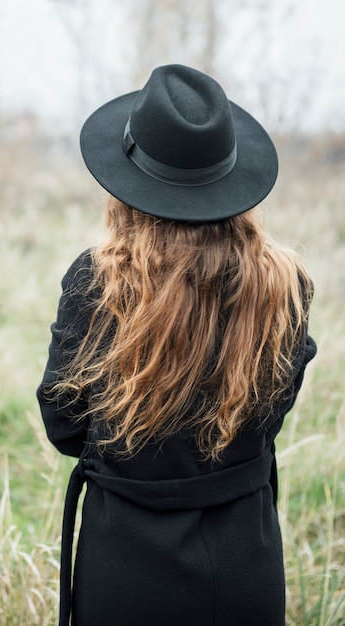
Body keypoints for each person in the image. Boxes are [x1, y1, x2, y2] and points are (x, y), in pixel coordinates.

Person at [36, 64, 317, 626]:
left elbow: (66, 427)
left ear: (127, 185)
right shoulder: (287, 285)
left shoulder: (99, 282)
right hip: (248, 566)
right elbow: (271, 412)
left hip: (128, 570)